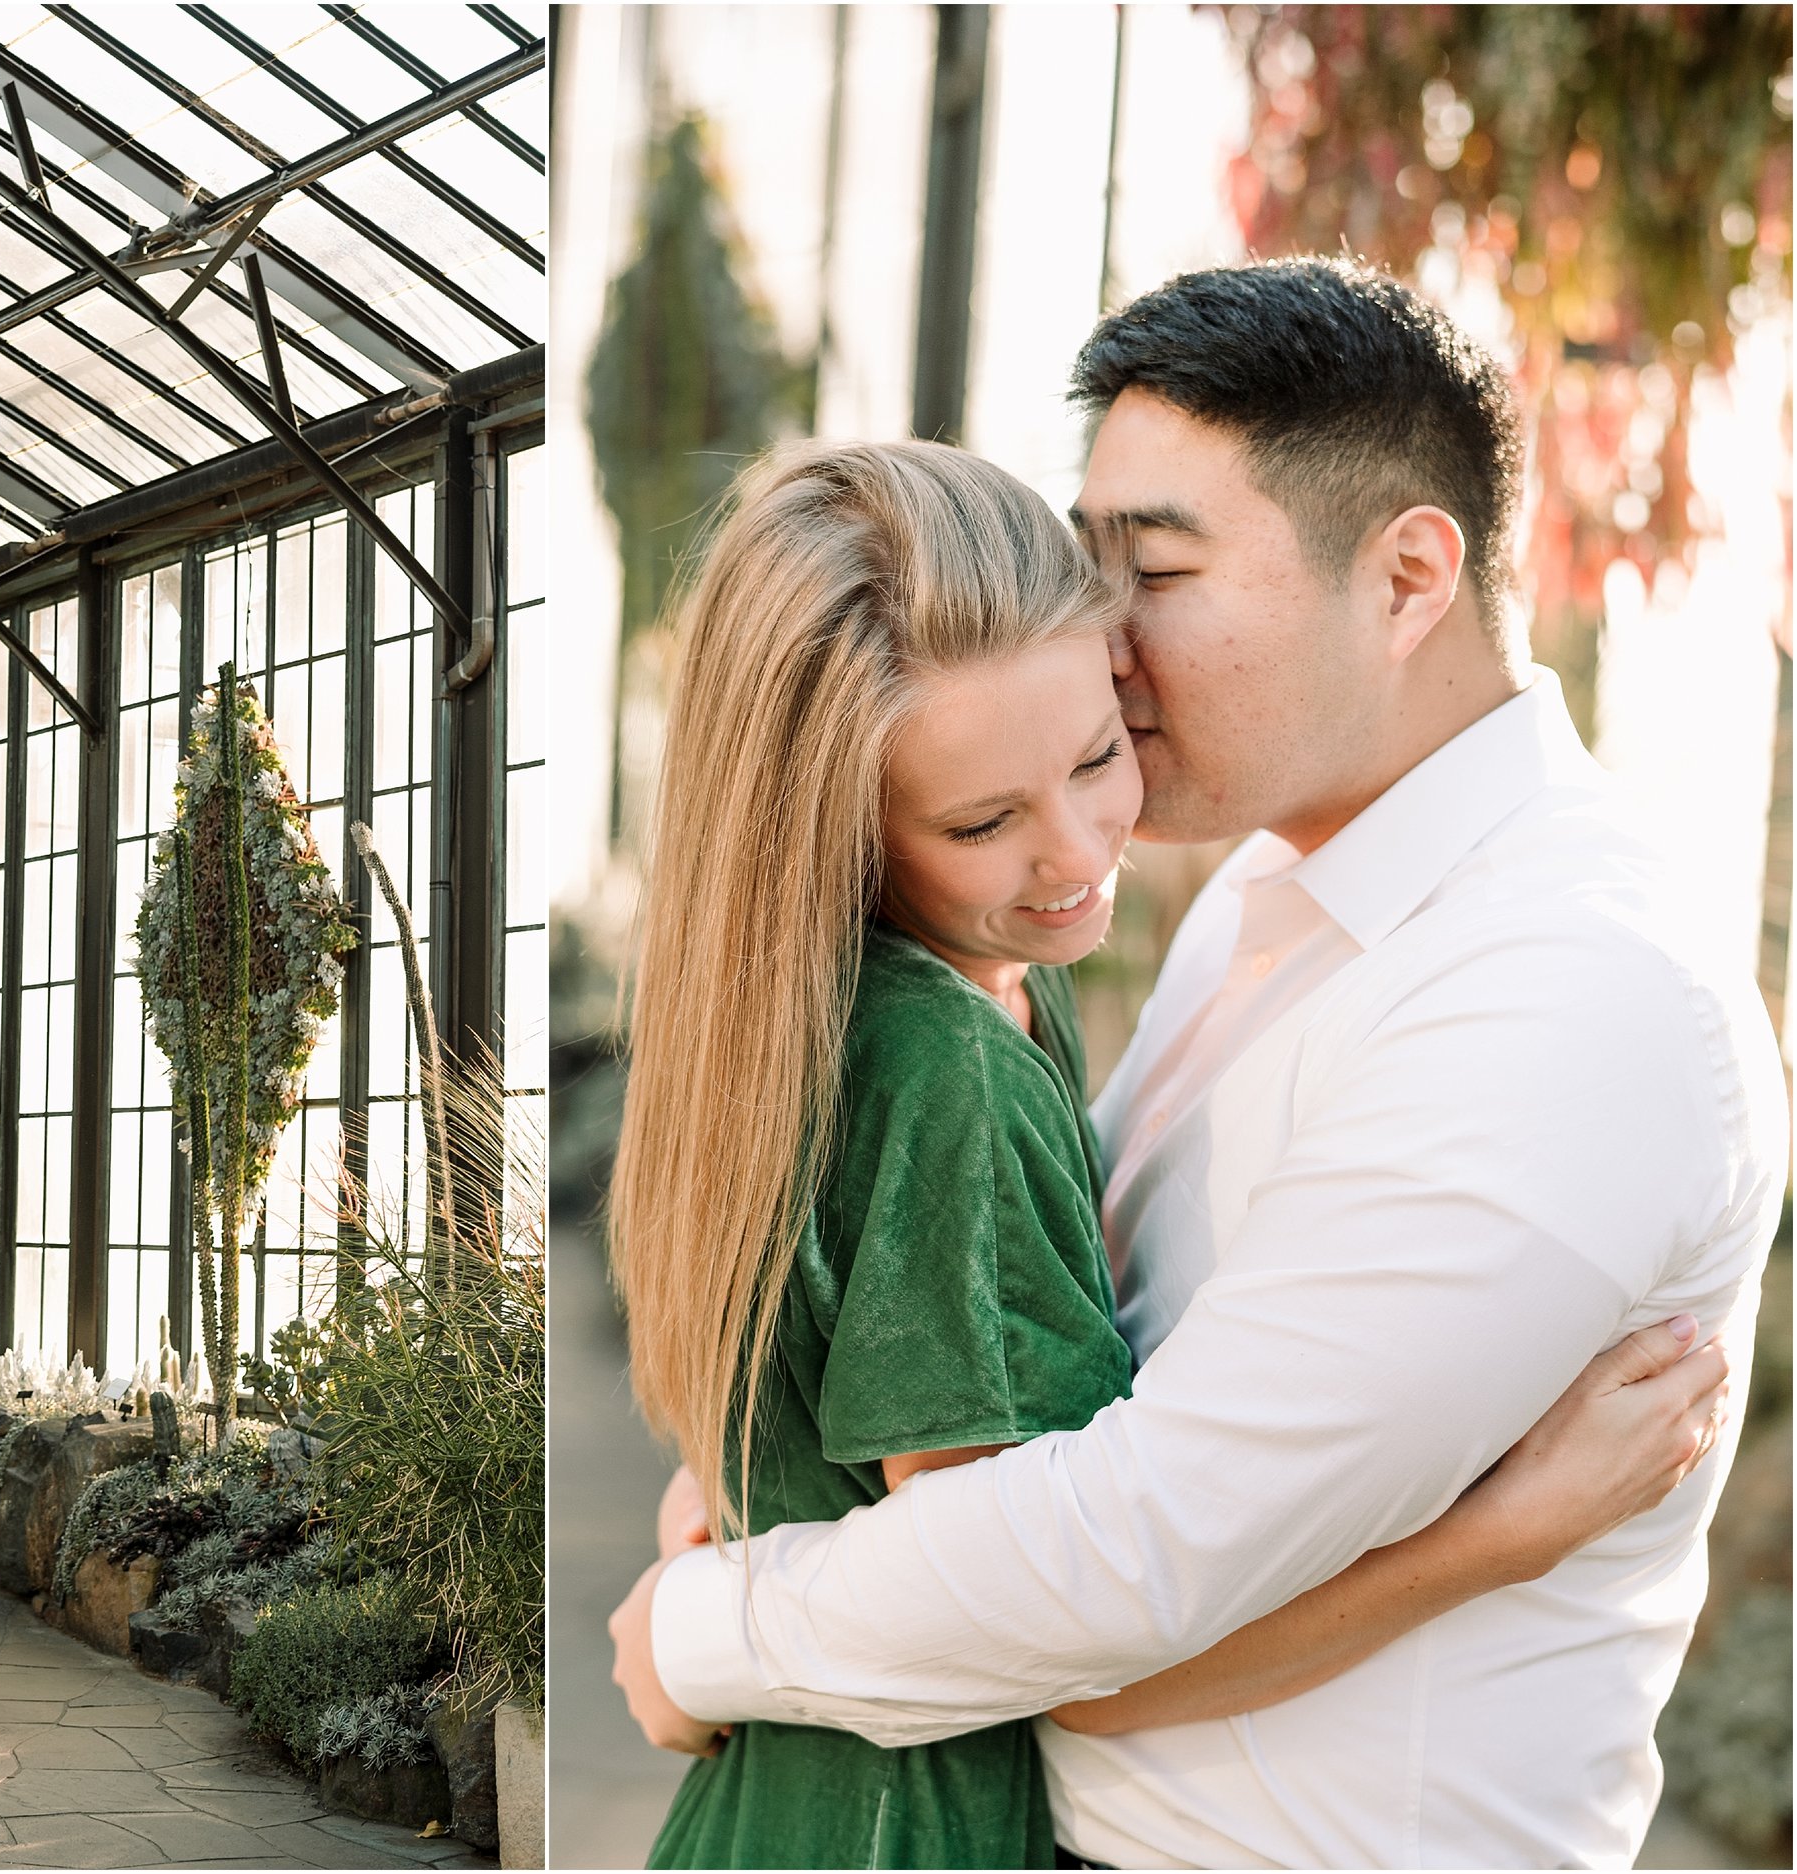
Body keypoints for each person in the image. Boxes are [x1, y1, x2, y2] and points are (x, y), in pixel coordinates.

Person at [611, 260, 1787, 1869]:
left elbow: (1105, 1585)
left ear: (1408, 576)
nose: (1104, 636)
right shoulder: (1259, 892)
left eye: (1153, 567)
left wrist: (703, 1625)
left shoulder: (1572, 991)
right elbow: (1033, 1395)